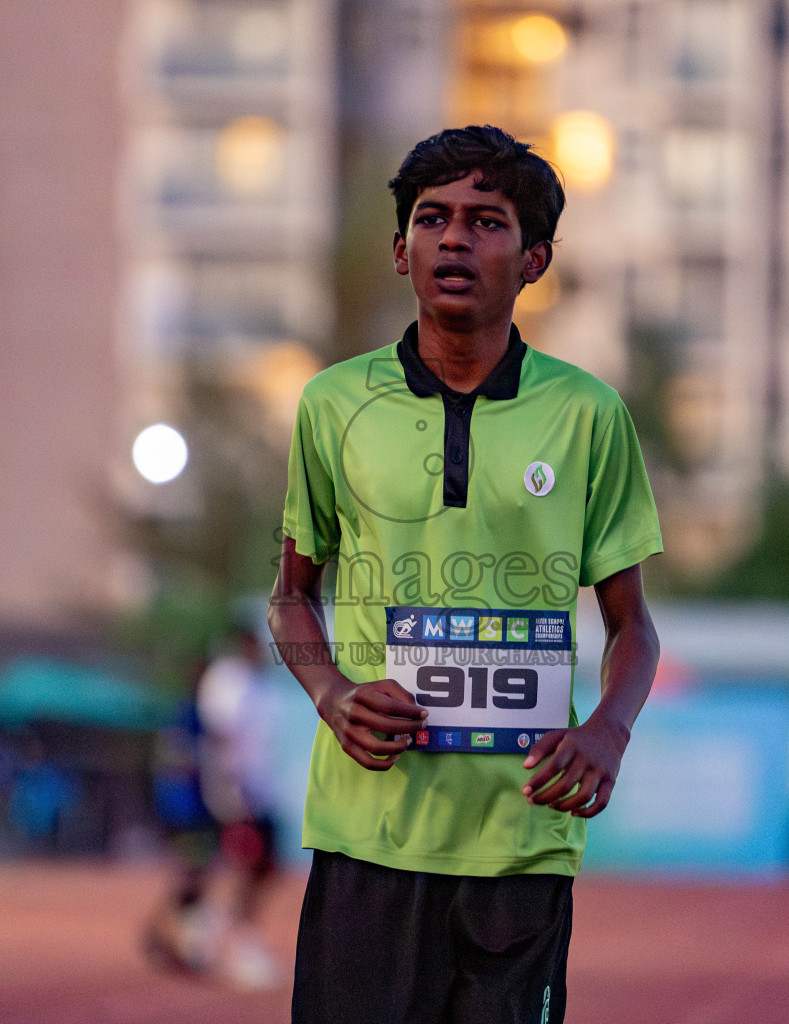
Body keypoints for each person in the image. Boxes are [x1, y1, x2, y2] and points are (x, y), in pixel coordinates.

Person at [269, 125, 663, 1024]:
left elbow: (633, 626)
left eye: (486, 221)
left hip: (518, 838)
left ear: (535, 259)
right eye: (432, 219)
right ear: (399, 248)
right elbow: (292, 596)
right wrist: (331, 692)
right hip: (368, 829)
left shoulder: (588, 415)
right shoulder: (334, 404)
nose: (454, 239)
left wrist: (608, 730)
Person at [143, 628, 281, 990]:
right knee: (237, 866)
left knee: (234, 868)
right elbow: (219, 740)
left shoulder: (250, 686)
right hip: (230, 797)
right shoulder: (228, 683)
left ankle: (190, 931)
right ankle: (228, 943)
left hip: (238, 794)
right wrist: (234, 791)